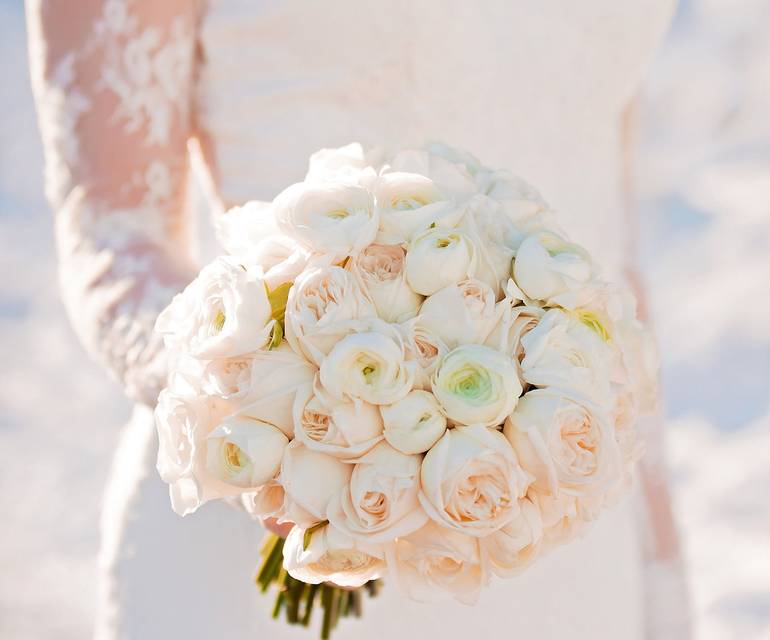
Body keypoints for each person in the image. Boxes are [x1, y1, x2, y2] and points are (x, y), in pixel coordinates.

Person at [26, 1, 689, 638]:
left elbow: (605, 258)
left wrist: (659, 578)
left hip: (561, 546)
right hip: (264, 515)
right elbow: (114, 237)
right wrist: (287, 429)